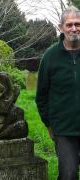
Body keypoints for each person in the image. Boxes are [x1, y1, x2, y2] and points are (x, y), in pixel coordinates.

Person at [35, 6, 80, 180]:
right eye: (69, 25)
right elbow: (41, 96)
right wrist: (48, 124)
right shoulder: (50, 57)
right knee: (68, 175)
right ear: (61, 27)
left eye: (77, 24)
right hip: (64, 130)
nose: (74, 28)